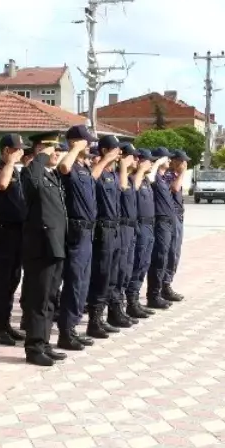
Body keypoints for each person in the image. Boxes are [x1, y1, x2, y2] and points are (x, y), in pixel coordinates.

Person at [19, 132, 72, 367]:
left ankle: (45, 342)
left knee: (51, 298)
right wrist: (41, 156)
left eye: (58, 148)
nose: (56, 152)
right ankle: (34, 347)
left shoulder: (51, 177)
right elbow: (31, 182)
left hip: (56, 246)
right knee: (38, 299)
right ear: (39, 150)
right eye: (51, 147)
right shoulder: (31, 173)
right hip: (40, 247)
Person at [56, 126, 99, 351]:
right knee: (73, 282)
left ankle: (73, 327)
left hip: (88, 231)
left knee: (83, 282)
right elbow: (63, 166)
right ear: (76, 142)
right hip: (75, 230)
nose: (90, 145)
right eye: (86, 141)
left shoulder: (83, 166)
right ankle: (65, 332)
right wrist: (74, 148)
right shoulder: (69, 163)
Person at [0, 133, 27, 346]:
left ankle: (6, 324)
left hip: (18, 234)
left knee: (13, 281)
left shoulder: (16, 172)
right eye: (16, 149)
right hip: (3, 234)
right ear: (5, 151)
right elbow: (2, 184)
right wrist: (10, 162)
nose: (21, 152)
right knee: (2, 283)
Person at [86, 134, 123, 339]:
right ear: (104, 151)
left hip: (115, 229)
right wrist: (105, 160)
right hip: (102, 229)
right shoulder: (98, 171)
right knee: (100, 275)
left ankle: (104, 317)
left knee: (111, 275)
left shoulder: (113, 174)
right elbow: (91, 179)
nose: (118, 154)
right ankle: (93, 320)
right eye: (115, 150)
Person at [108, 143, 139, 328]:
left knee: (125, 271)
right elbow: (123, 188)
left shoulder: (126, 177)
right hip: (119, 228)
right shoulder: (119, 176)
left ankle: (118, 308)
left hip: (129, 227)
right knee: (117, 272)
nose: (135, 160)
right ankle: (113, 310)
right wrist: (123, 167)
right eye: (131, 156)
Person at [127, 149, 157, 320]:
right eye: (148, 161)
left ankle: (136, 299)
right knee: (137, 263)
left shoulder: (145, 178)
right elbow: (133, 191)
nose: (151, 164)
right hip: (139, 225)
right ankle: (131, 302)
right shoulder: (133, 178)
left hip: (149, 225)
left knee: (144, 264)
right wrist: (139, 170)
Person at [146, 148, 176, 310]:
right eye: (167, 158)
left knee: (165, 258)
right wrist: (156, 163)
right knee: (158, 259)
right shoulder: (155, 176)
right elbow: (149, 178)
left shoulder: (163, 178)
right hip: (160, 222)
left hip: (168, 222)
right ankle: (153, 295)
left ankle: (158, 293)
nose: (170, 161)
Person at [162, 150, 189, 303]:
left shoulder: (175, 176)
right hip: (171, 218)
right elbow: (175, 188)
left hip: (178, 217)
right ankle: (164, 285)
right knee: (171, 251)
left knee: (176, 253)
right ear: (175, 162)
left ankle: (168, 282)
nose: (185, 164)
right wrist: (183, 173)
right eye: (183, 161)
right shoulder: (168, 176)